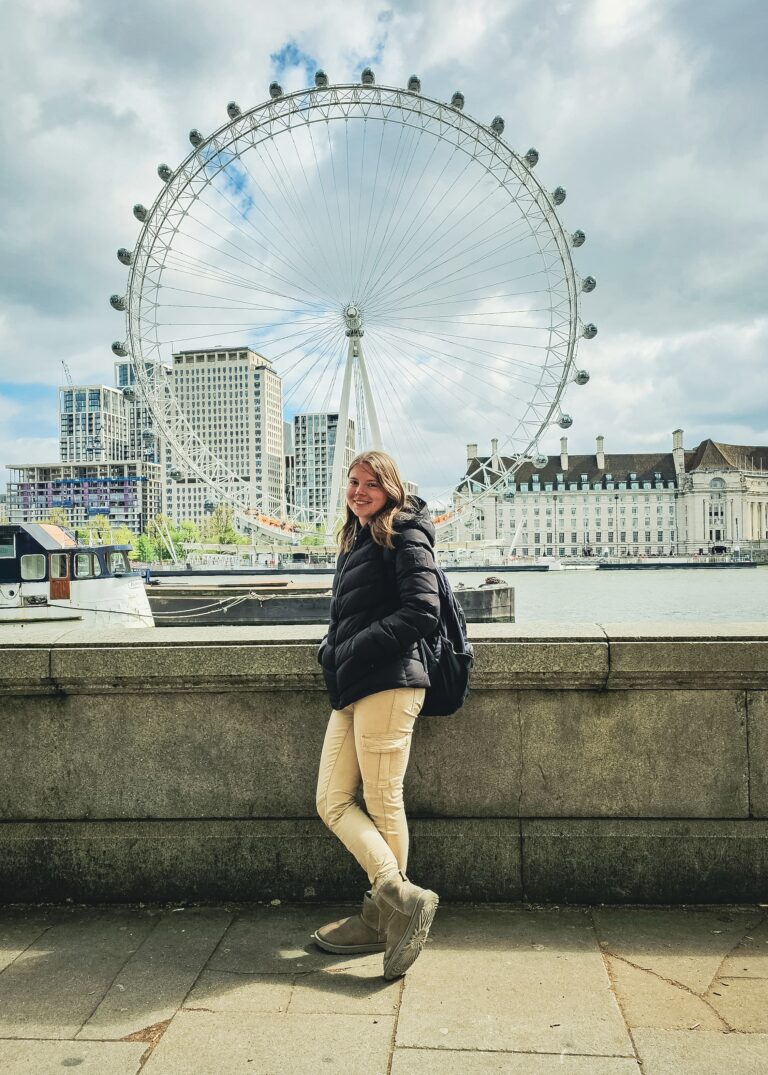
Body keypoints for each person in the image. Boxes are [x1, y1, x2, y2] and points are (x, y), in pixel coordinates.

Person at [313, 450, 440, 980]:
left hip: (389, 683)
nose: (359, 490)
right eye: (352, 481)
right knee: (331, 799)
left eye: (370, 483)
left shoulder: (404, 533)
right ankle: (397, 898)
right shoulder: (357, 538)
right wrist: (332, 651)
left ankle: (382, 914)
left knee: (383, 799)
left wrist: (354, 647)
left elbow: (423, 610)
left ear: (390, 487)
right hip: (353, 683)